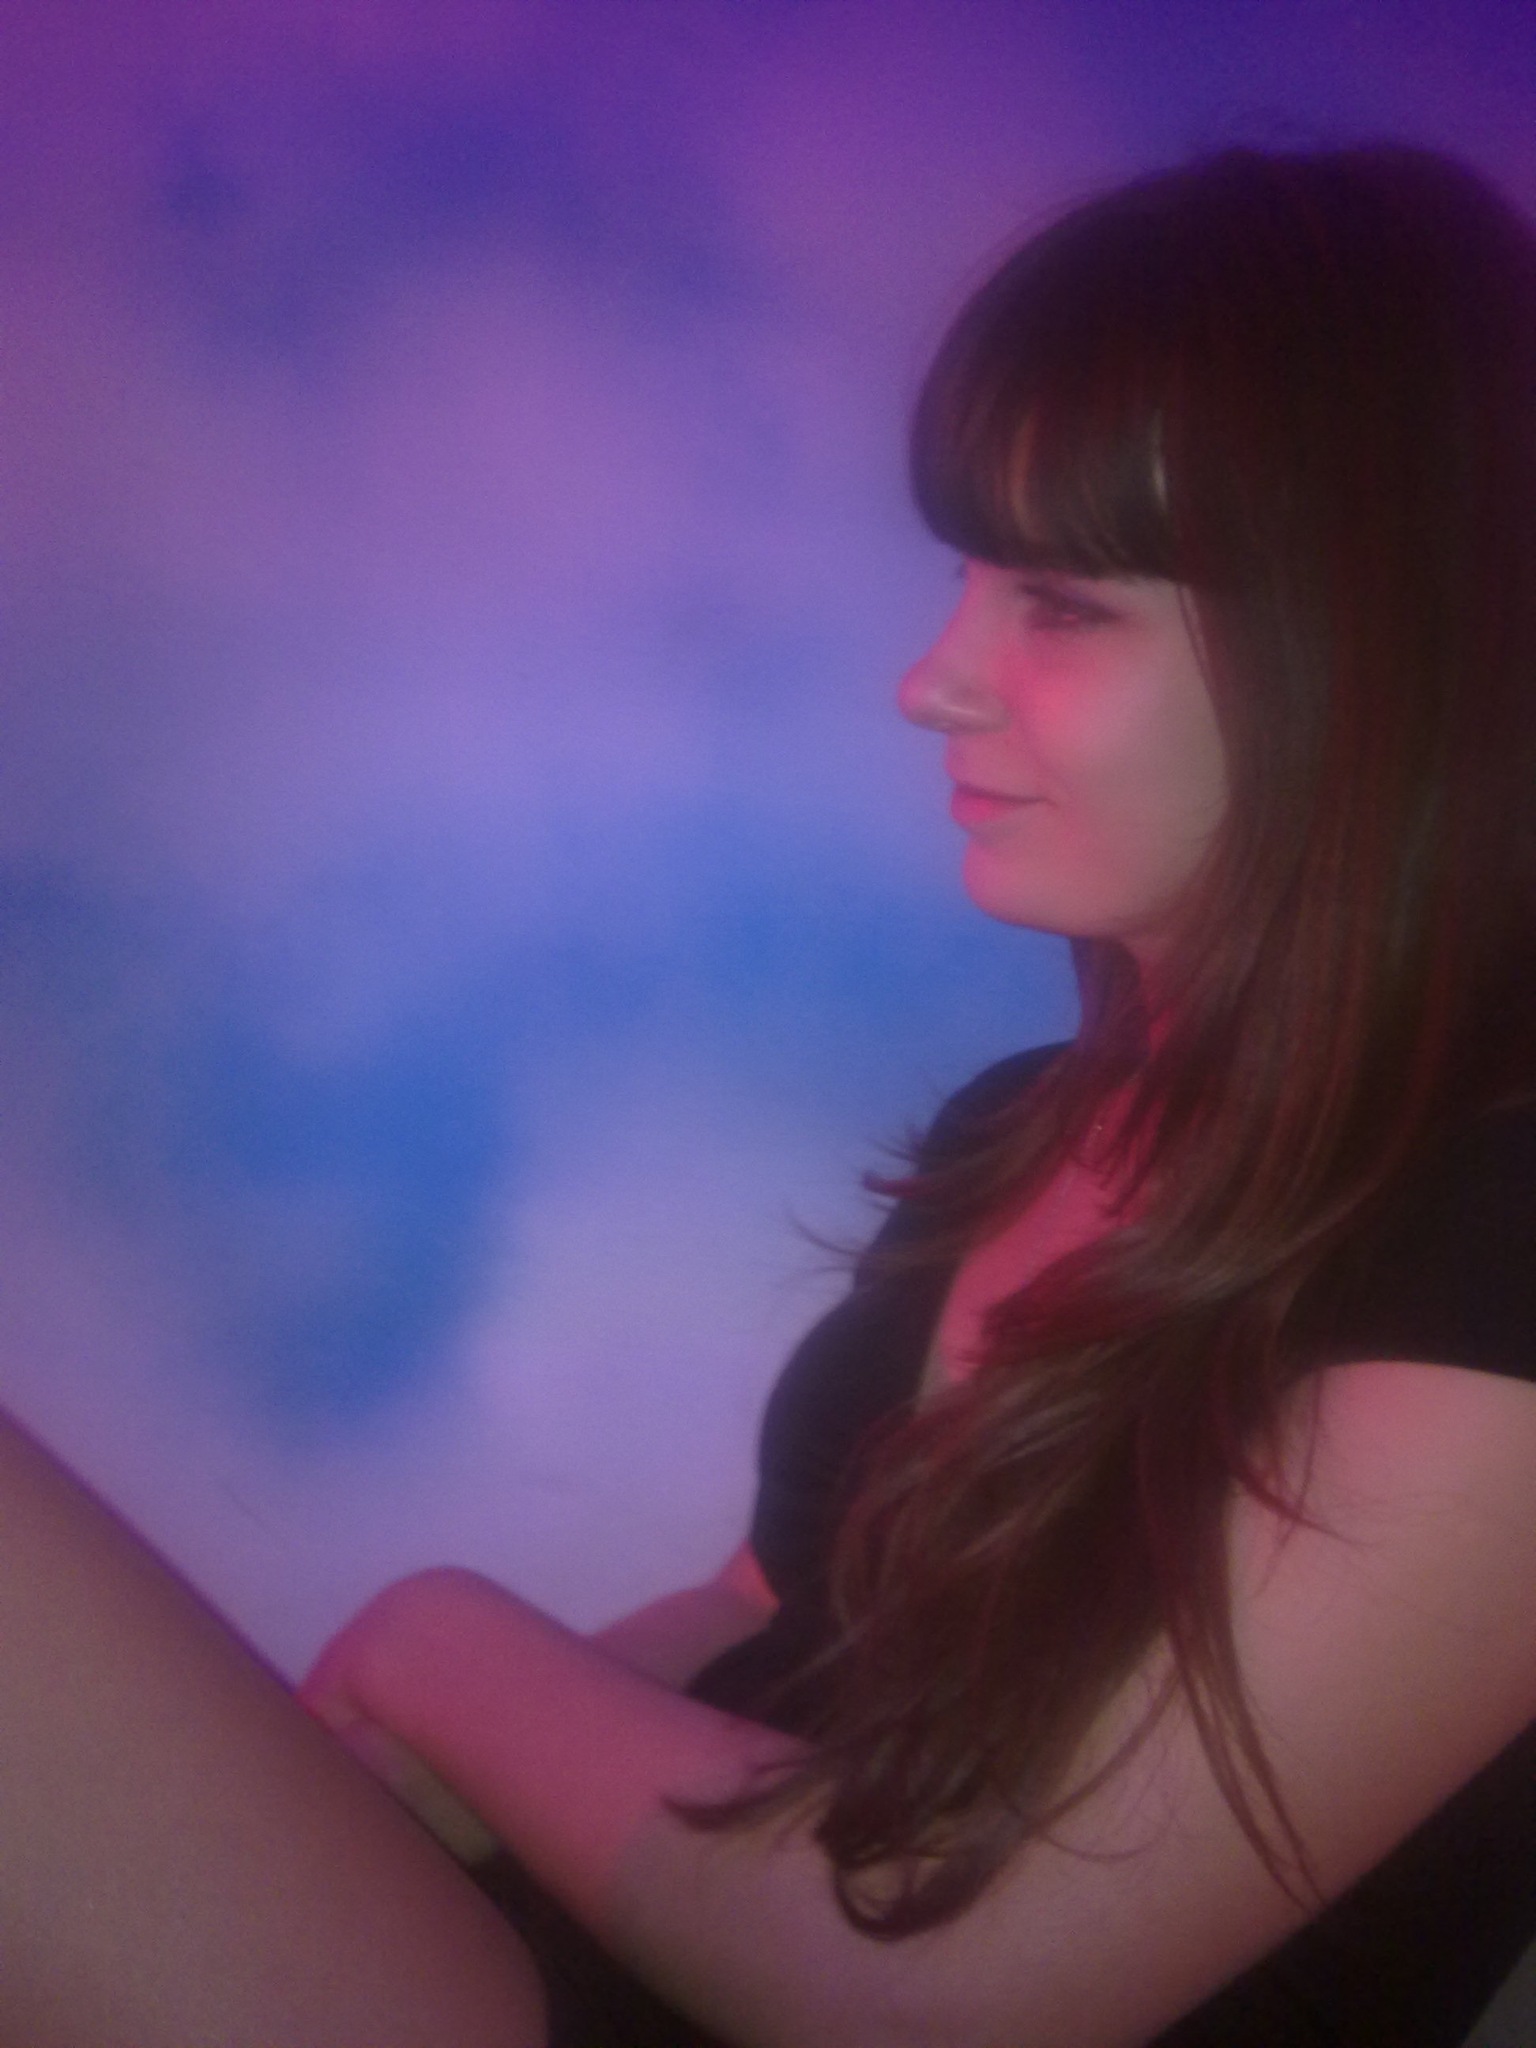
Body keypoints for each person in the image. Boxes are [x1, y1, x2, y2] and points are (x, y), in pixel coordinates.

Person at [1, 135, 1534, 2047]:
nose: (931, 679)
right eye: (968, 581)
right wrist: (416, 1784)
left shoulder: (1498, 1247)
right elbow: (766, 1603)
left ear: (1373, 651)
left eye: (1061, 605)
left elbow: (943, 1999)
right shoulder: (1020, 1123)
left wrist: (437, 1643)